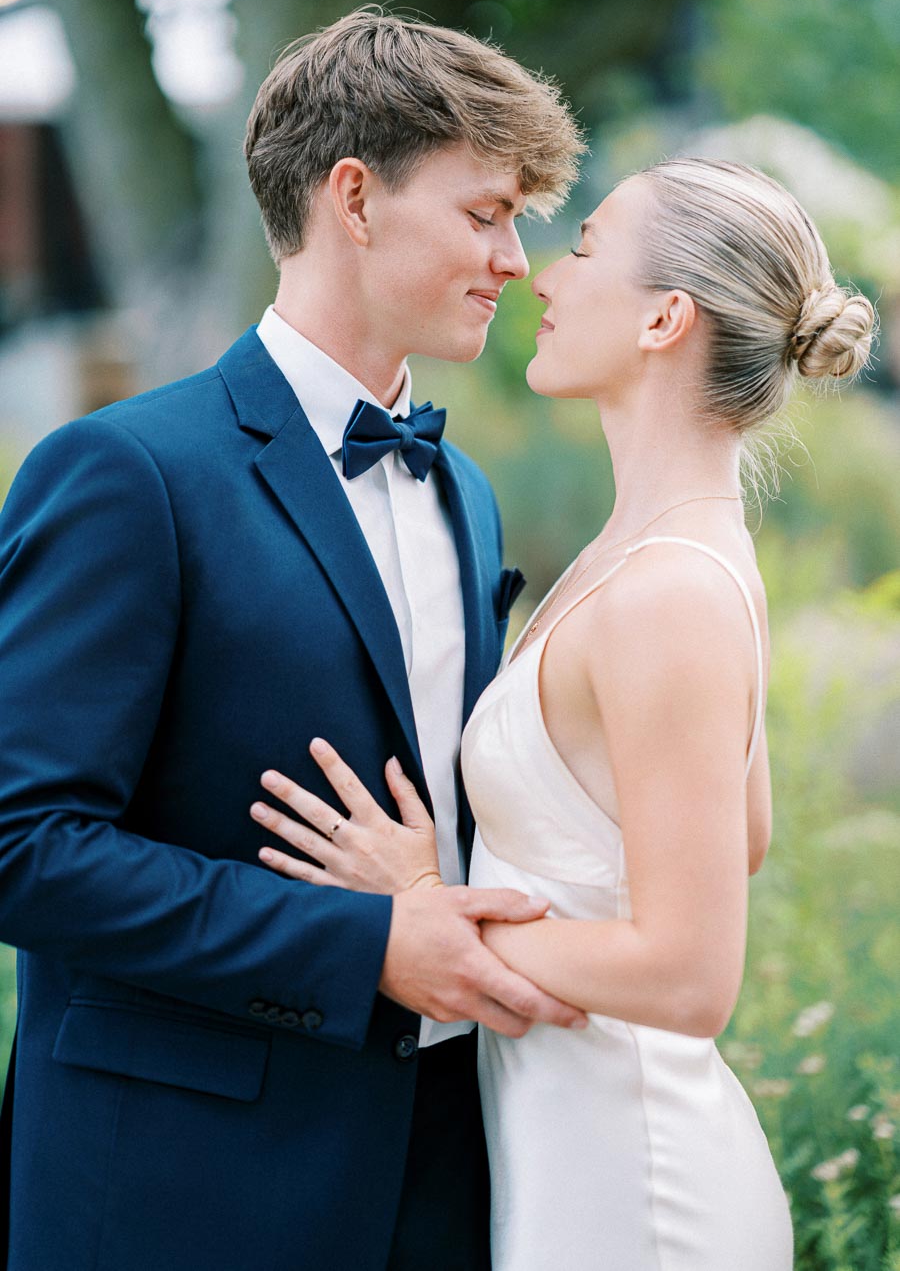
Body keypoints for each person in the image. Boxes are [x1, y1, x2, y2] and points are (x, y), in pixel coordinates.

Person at [0, 10, 588, 1271]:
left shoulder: (464, 495)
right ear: (356, 197)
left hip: (445, 1176)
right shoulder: (125, 474)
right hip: (180, 1191)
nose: (518, 261)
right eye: (486, 213)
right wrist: (367, 944)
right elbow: (23, 847)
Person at [250, 157, 876, 1269]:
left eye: (585, 248)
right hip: (566, 1145)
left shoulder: (668, 587)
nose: (543, 275)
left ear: (664, 319)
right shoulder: (653, 551)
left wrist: (434, 910)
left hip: (632, 1187)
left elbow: (690, 977)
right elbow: (739, 834)